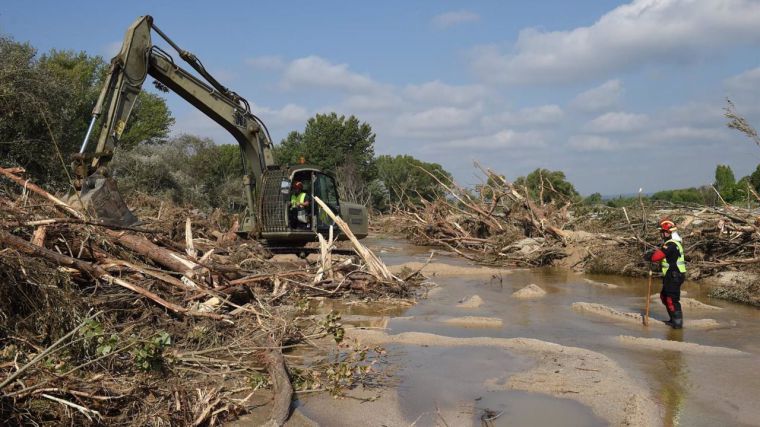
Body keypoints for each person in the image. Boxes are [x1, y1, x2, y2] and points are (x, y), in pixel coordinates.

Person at [645, 220, 686, 329]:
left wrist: (649, 256)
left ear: (668, 232)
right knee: (664, 296)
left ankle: (677, 325)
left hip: (674, 275)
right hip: (672, 275)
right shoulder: (673, 243)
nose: (661, 234)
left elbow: (656, 257)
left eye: (663, 231)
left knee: (671, 299)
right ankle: (673, 320)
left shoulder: (671, 244)